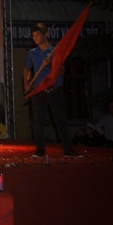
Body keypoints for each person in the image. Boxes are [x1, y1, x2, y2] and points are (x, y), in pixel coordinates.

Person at [23, 22, 82, 157]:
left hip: (55, 90)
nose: (35, 38)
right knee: (38, 121)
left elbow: (62, 71)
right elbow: (26, 68)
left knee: (61, 121)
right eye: (33, 36)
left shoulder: (55, 52)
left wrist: (50, 65)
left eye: (37, 35)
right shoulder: (32, 53)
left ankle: (67, 149)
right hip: (39, 91)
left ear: (46, 35)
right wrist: (26, 83)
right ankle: (40, 150)